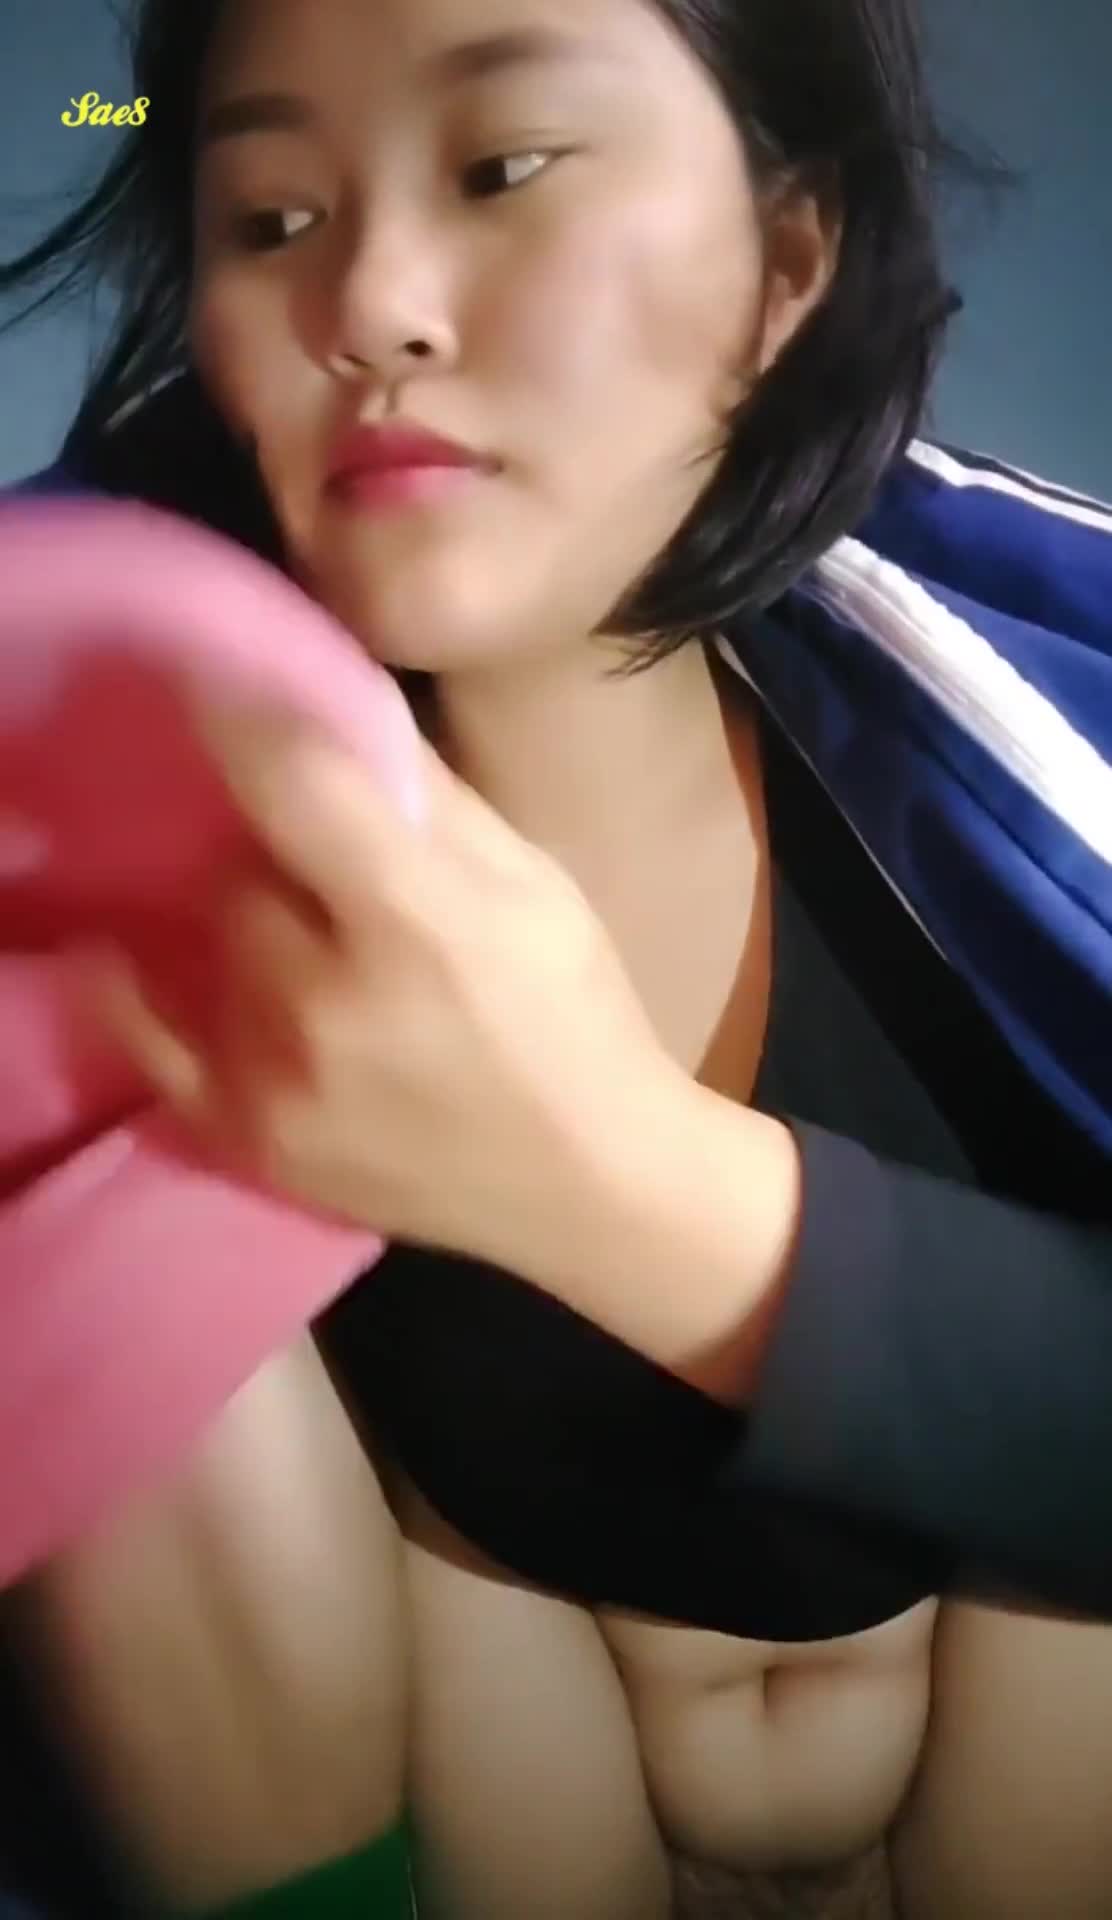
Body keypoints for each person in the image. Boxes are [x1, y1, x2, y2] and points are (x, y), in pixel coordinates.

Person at [2, 0, 1112, 1917]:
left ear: (786, 263)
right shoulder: (131, 861)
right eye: (269, 220)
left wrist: (599, 1170)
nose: (370, 303)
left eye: (506, 166)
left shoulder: (1054, 753)